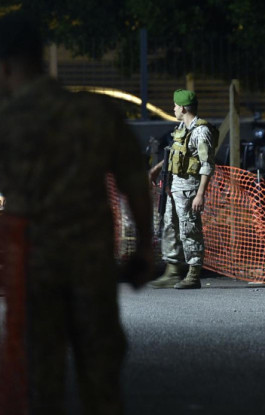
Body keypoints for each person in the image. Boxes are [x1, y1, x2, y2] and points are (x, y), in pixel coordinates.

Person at [0, 12, 154, 414]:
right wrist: (143, 251)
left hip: (33, 271)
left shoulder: (7, 122)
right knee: (101, 379)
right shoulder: (95, 113)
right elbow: (135, 185)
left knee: (40, 380)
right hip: (92, 268)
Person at [148, 89, 215, 289]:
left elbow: (207, 164)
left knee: (189, 229)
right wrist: (157, 168)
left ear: (183, 108)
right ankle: (172, 270)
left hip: (189, 188)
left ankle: (193, 274)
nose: (174, 108)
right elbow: (174, 153)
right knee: (169, 224)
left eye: (176, 106)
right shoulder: (182, 128)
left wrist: (200, 194)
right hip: (174, 186)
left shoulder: (201, 131)